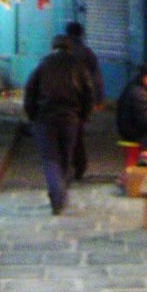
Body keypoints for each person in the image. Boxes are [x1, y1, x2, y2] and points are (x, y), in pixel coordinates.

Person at [23, 34, 94, 214]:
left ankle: (57, 195)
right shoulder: (78, 65)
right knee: (65, 157)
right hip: (71, 118)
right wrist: (83, 116)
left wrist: (32, 116)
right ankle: (59, 192)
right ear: (69, 48)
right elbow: (88, 93)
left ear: (52, 47)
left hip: (45, 118)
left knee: (50, 159)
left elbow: (30, 91)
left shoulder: (44, 64)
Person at [65, 20, 104, 180]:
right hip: (81, 100)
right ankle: (79, 166)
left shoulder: (61, 53)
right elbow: (95, 77)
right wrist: (99, 99)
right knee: (78, 133)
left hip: (63, 99)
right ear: (81, 34)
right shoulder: (87, 53)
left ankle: (66, 166)